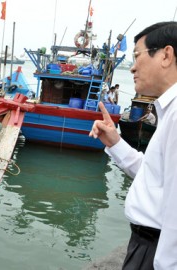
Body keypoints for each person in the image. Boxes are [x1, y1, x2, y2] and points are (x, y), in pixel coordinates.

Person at [89, 21, 177, 269]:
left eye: (138, 56)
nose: (133, 67)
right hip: (145, 245)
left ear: (166, 55)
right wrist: (115, 143)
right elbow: (155, 176)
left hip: (156, 251)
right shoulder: (167, 111)